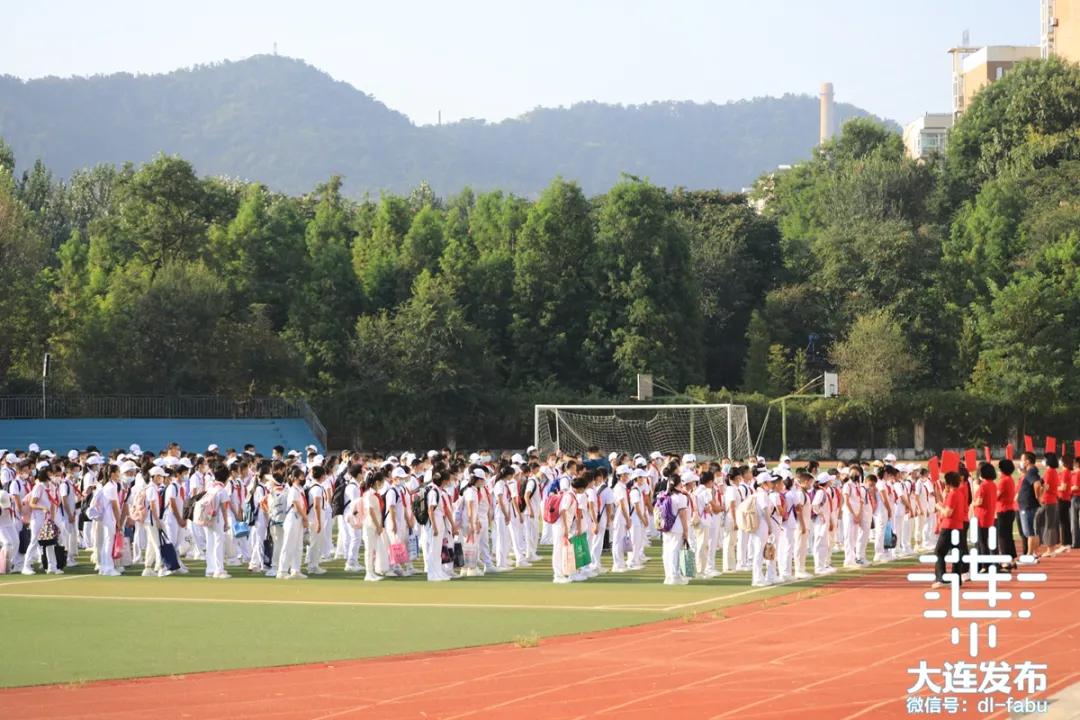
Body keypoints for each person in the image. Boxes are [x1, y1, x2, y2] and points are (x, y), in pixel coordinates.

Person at [932, 472, 966, 589]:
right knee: (956, 553)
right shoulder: (960, 494)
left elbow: (948, 512)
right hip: (958, 526)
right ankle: (956, 579)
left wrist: (938, 506)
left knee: (939, 552)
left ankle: (941, 578)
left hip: (949, 526)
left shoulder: (953, 494)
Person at [277, 467, 309, 579]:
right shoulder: (293, 489)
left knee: (298, 546)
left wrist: (304, 518)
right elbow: (296, 504)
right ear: (295, 478)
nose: (303, 478)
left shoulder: (300, 489)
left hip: (299, 518)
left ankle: (296, 570)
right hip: (293, 517)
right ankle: (282, 571)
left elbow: (303, 505)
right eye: (301, 476)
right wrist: (305, 518)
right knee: (288, 544)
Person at [660, 470, 691, 585]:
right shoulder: (680, 497)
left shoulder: (664, 496)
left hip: (666, 527)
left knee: (667, 551)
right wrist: (686, 530)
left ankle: (668, 576)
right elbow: (683, 515)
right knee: (675, 551)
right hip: (677, 527)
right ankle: (675, 576)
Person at [362, 470, 388, 581]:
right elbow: (371, 511)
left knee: (374, 549)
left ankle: (373, 571)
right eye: (382, 482)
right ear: (377, 482)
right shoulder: (369, 494)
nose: (383, 484)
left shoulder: (376, 494)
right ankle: (369, 573)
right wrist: (378, 525)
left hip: (376, 525)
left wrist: (379, 525)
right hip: (370, 525)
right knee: (369, 549)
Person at [972, 462, 998, 572]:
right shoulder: (993, 484)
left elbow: (979, 501)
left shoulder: (983, 486)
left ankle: (984, 565)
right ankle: (988, 564)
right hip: (990, 515)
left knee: (982, 542)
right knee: (987, 541)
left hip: (981, 515)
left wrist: (972, 503)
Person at [1017, 451, 1043, 561]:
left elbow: (1037, 485)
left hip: (1027, 505)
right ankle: (1034, 553)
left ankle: (1029, 554)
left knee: (1028, 531)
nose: (1021, 462)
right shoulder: (1031, 471)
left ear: (1027, 461)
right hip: (1028, 504)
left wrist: (1038, 496)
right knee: (1032, 530)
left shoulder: (1031, 472)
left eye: (1022, 460)